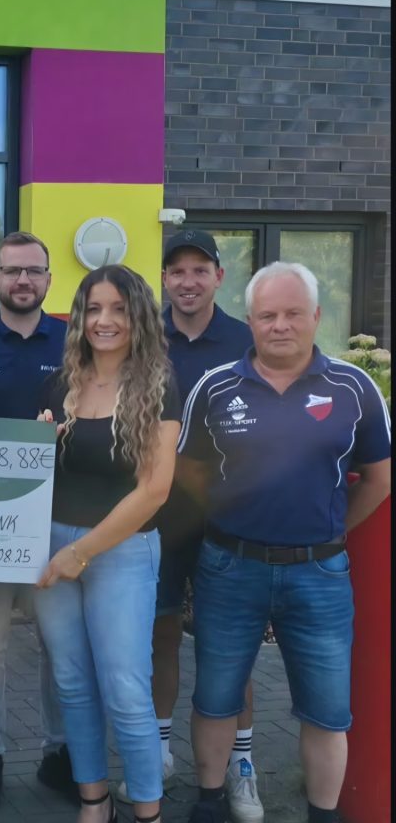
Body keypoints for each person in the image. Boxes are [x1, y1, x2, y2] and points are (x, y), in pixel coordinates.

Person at [178, 263, 391, 823]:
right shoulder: (214, 387)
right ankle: (208, 802)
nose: (280, 325)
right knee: (215, 698)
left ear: (316, 316)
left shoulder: (354, 387)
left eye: (293, 313)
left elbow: (379, 479)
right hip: (229, 567)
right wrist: (230, 516)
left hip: (320, 574)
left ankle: (323, 814)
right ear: (250, 320)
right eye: (268, 314)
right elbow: (189, 471)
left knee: (327, 712)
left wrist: (332, 528)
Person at [36, 264, 180, 823]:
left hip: (122, 551)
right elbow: (36, 475)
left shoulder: (159, 385)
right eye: (93, 308)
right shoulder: (60, 383)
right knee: (72, 683)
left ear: (138, 315)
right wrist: (38, 445)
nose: (104, 320)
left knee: (125, 689)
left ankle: (148, 812)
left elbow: (155, 490)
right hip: (53, 545)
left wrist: (82, 552)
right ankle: (94, 803)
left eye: (118, 309)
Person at [144, 230, 261, 820]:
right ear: (164, 279)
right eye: (176, 271)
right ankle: (159, 753)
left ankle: (241, 763)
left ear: (219, 276)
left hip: (229, 521)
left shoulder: (247, 340)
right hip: (158, 518)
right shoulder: (145, 339)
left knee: (229, 647)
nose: (187, 281)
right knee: (161, 635)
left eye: (199, 270)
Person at [0, 232, 73, 810]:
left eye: (34, 271)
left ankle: (61, 754)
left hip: (61, 521)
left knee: (61, 646)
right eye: (12, 271)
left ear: (49, 280)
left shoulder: (78, 344)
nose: (23, 280)